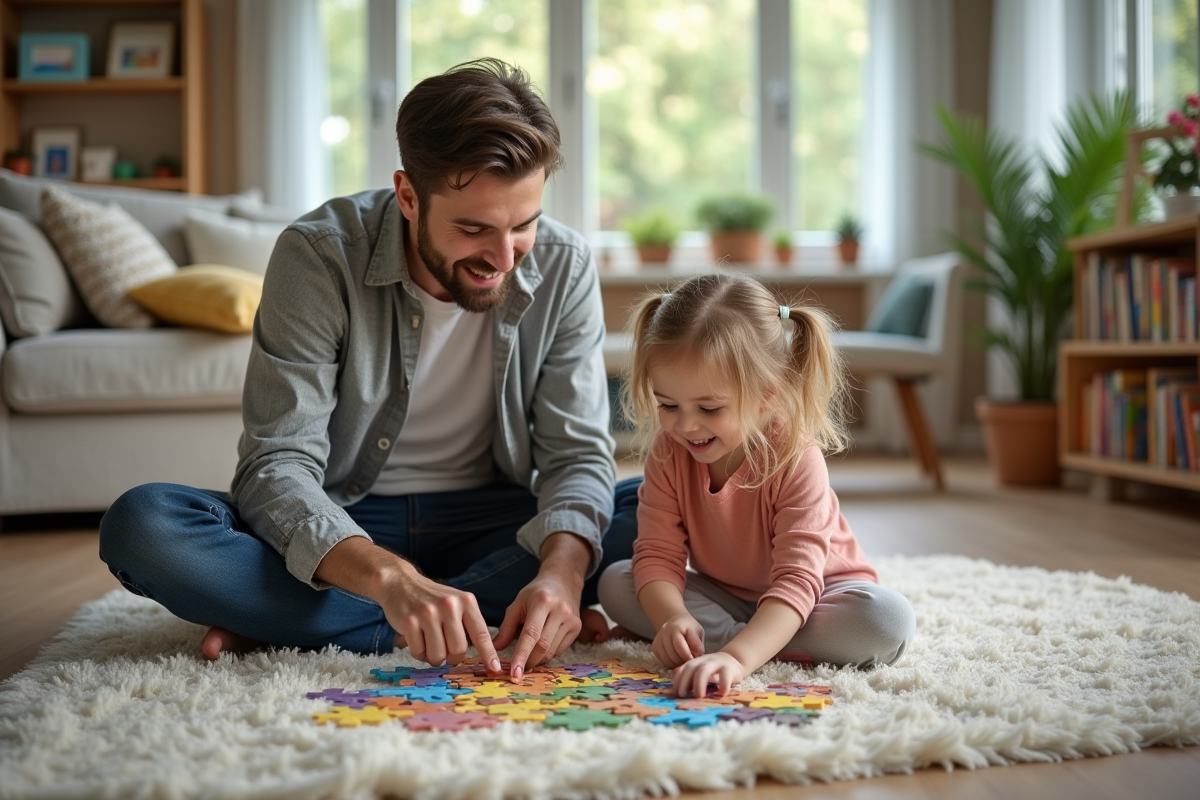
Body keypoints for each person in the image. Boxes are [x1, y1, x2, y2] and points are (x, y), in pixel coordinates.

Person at [99, 58, 640, 682]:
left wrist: (561, 576)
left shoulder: (566, 265)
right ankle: (452, 616)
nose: (502, 257)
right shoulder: (318, 256)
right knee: (144, 526)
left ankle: (305, 623)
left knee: (664, 502)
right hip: (348, 520)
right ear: (408, 196)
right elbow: (277, 463)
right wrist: (389, 580)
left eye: (524, 225)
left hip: (494, 519)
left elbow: (576, 455)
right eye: (473, 228)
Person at [597, 273, 915, 698]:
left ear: (768, 393)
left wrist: (736, 659)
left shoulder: (797, 457)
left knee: (887, 620)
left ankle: (739, 644)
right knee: (616, 581)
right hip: (727, 597)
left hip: (819, 598)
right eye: (668, 405)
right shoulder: (667, 451)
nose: (685, 425)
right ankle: (759, 643)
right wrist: (672, 618)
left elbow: (798, 581)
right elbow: (658, 552)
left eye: (709, 408)